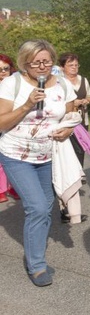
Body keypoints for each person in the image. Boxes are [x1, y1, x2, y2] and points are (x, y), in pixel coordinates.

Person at [0, 40, 77, 286]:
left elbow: (71, 114)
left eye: (47, 61)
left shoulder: (62, 83)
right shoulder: (11, 84)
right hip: (16, 155)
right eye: (36, 63)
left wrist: (68, 130)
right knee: (37, 207)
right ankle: (37, 266)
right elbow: (1, 123)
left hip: (47, 155)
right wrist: (27, 105)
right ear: (25, 63)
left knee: (46, 205)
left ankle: (36, 254)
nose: (43, 67)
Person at [58, 53, 90, 169]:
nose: (74, 67)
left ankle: (79, 172)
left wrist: (86, 101)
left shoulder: (83, 80)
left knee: (80, 147)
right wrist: (73, 103)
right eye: (70, 65)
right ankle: (68, 174)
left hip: (82, 119)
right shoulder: (58, 82)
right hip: (64, 120)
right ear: (62, 67)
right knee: (67, 148)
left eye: (76, 65)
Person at [0, 54, 20, 204]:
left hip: (13, 125)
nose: (2, 72)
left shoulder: (16, 85)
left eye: (5, 69)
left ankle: (13, 186)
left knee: (14, 158)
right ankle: (1, 190)